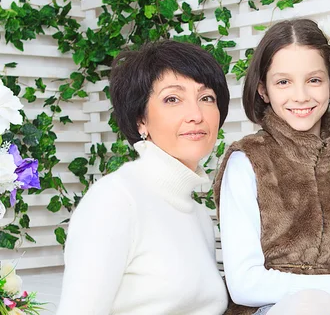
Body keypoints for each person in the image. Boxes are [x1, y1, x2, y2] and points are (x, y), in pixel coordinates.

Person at [213, 19, 330, 315]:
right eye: (283, 82)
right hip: (270, 308)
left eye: (314, 80)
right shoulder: (246, 160)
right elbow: (243, 283)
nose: (301, 96)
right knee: (314, 305)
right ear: (264, 90)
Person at [57, 41, 230, 314]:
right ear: (141, 120)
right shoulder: (115, 201)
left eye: (206, 97)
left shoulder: (198, 217)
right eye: (172, 99)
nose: (196, 115)